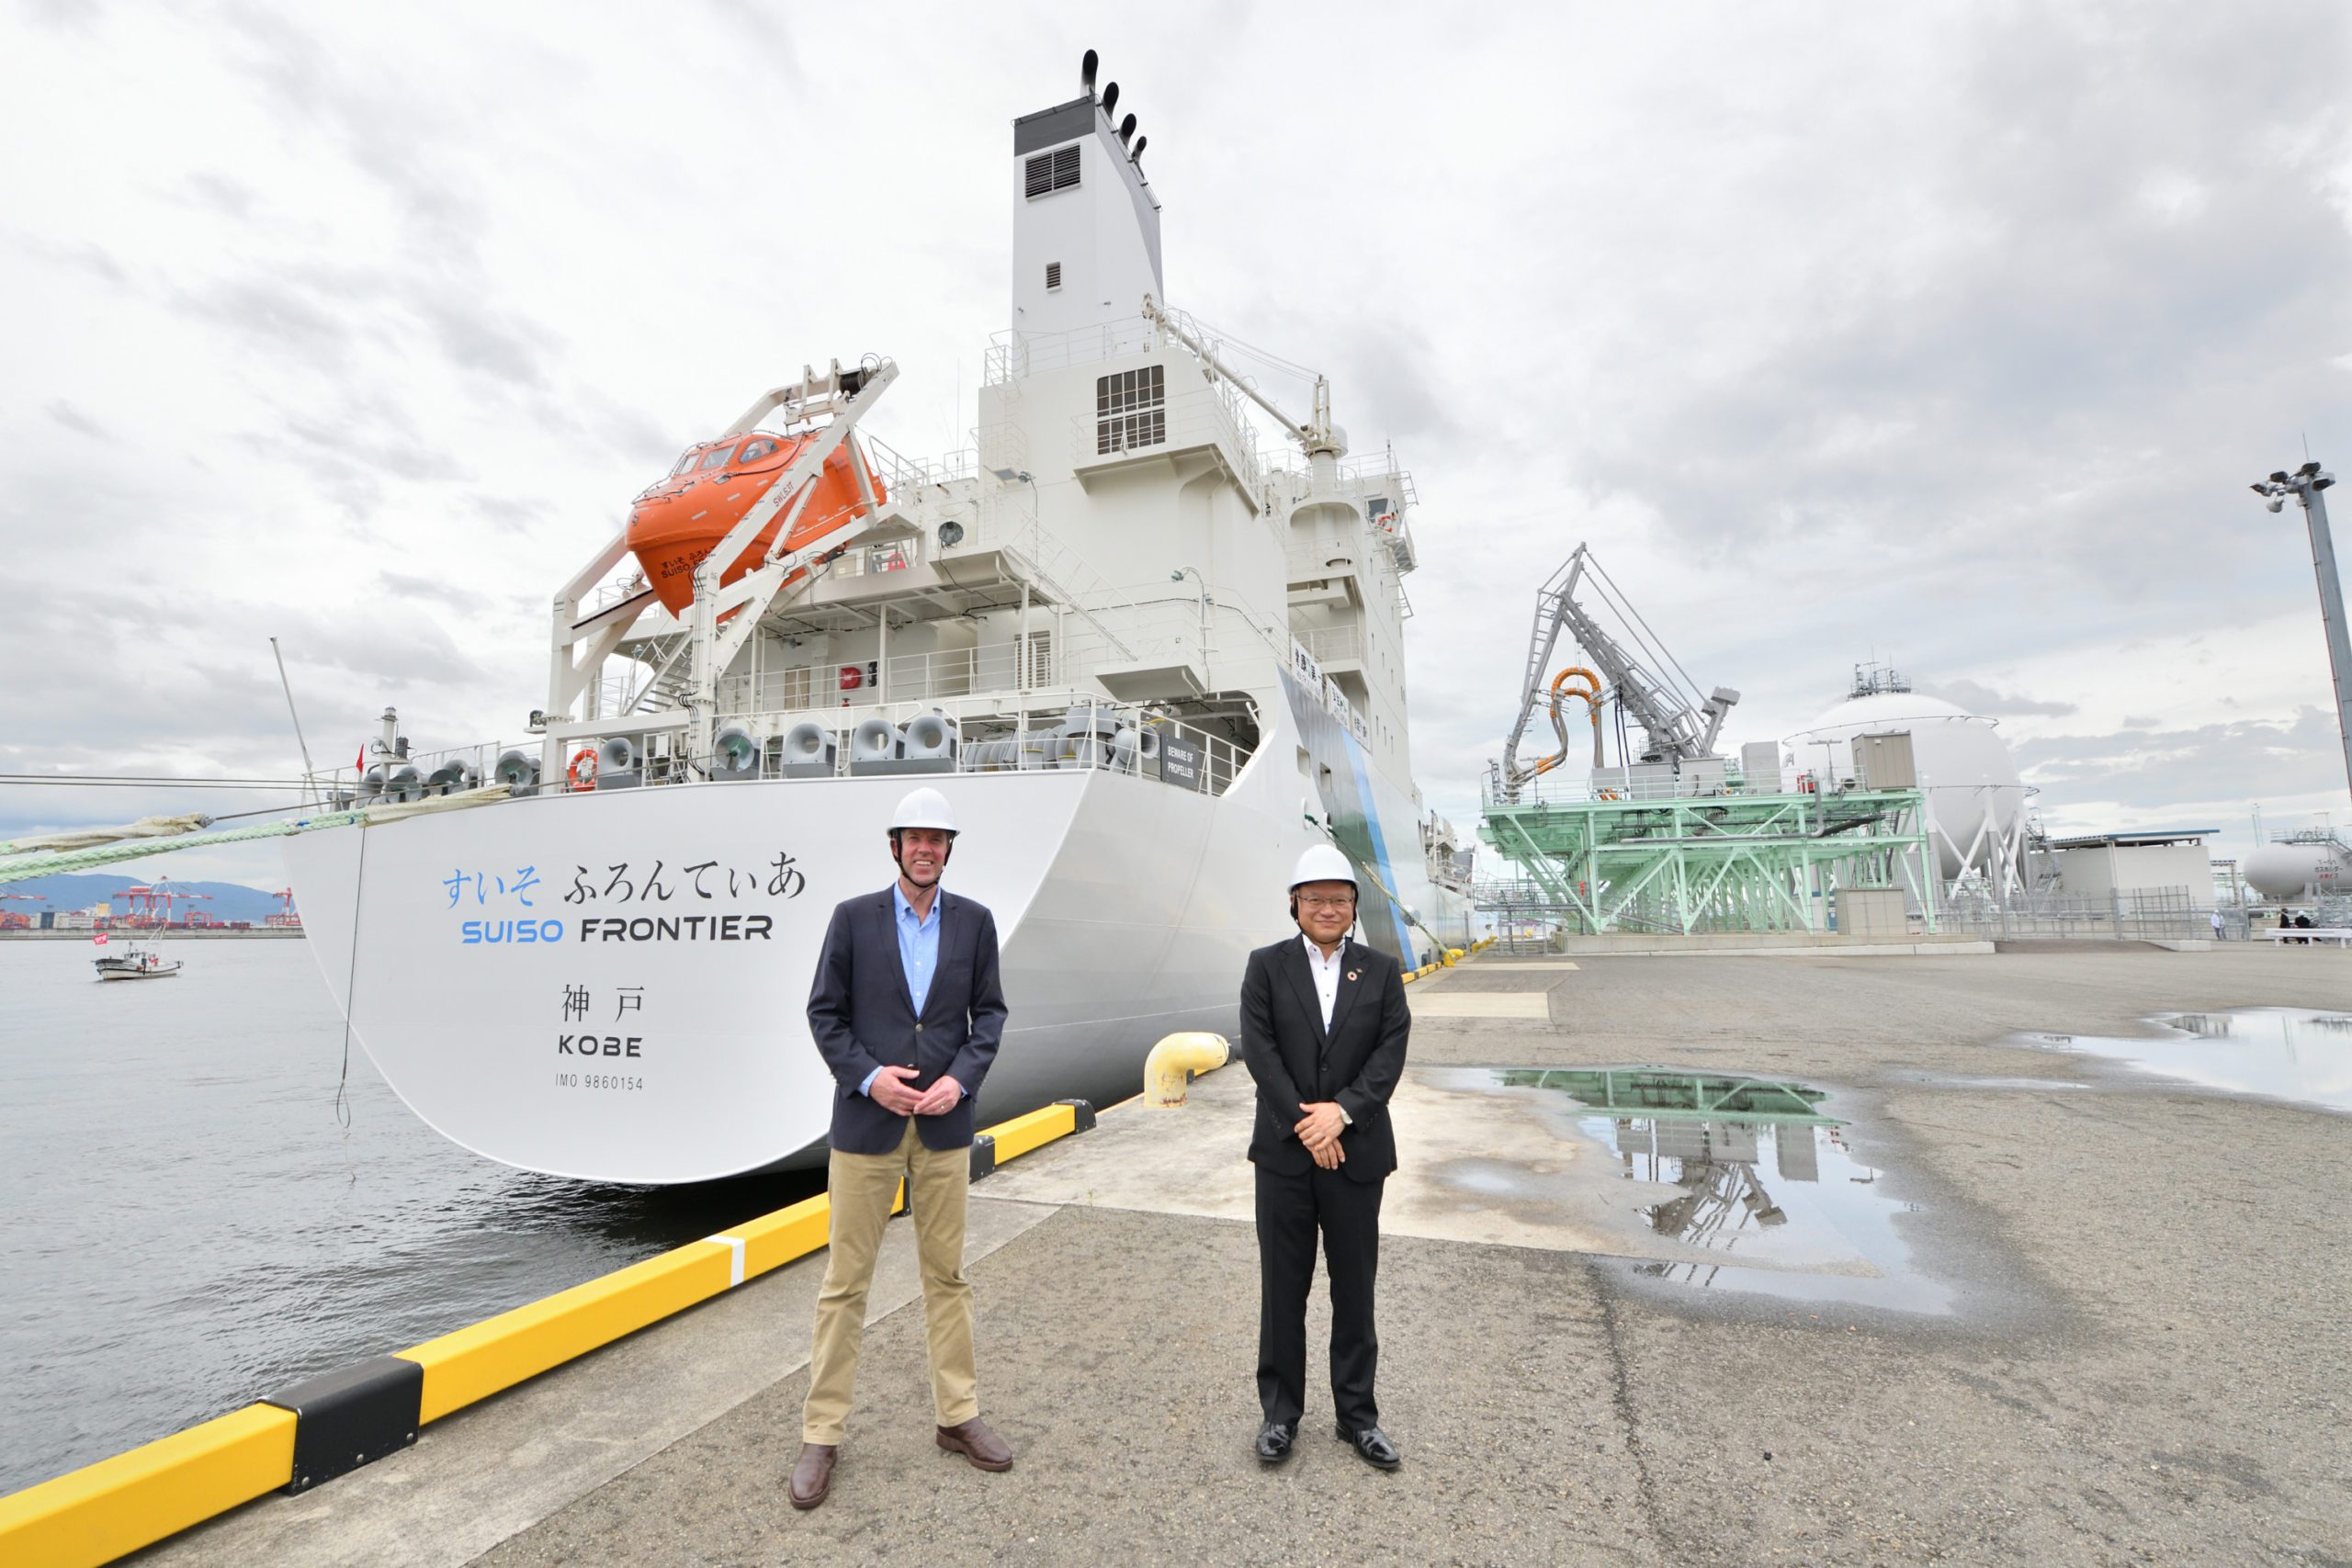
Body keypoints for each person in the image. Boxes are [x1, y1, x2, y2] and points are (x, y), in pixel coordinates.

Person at [789, 785, 1011, 1511]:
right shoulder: (853, 919)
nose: (926, 848)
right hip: (867, 1125)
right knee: (845, 1282)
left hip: (943, 1128)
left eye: (937, 839)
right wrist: (869, 1076)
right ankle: (821, 1434)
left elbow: (990, 1017)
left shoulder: (975, 923)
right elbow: (825, 1013)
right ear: (895, 846)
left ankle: (958, 1416)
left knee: (947, 1276)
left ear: (949, 849)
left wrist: (959, 1081)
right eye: (914, 838)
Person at [1238, 842, 1411, 1472]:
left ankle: (1357, 1416)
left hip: (1356, 1150)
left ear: (1353, 905)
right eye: (1315, 898)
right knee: (1283, 1288)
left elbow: (1389, 1052)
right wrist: (1308, 1122)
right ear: (1295, 904)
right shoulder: (1266, 966)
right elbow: (1260, 1051)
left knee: (1354, 1286)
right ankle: (1280, 1413)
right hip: (1286, 1154)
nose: (1328, 907)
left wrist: (1341, 1112)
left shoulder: (1383, 970)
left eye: (1339, 897)